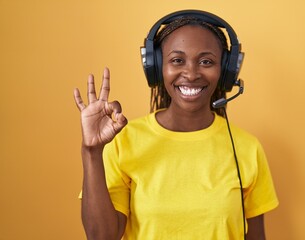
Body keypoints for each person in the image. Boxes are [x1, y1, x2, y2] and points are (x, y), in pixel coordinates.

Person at [74, 10, 278, 240]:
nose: (191, 74)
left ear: (226, 72)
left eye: (206, 61)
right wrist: (91, 151)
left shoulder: (248, 148)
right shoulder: (124, 140)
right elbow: (102, 237)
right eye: (177, 60)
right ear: (156, 67)